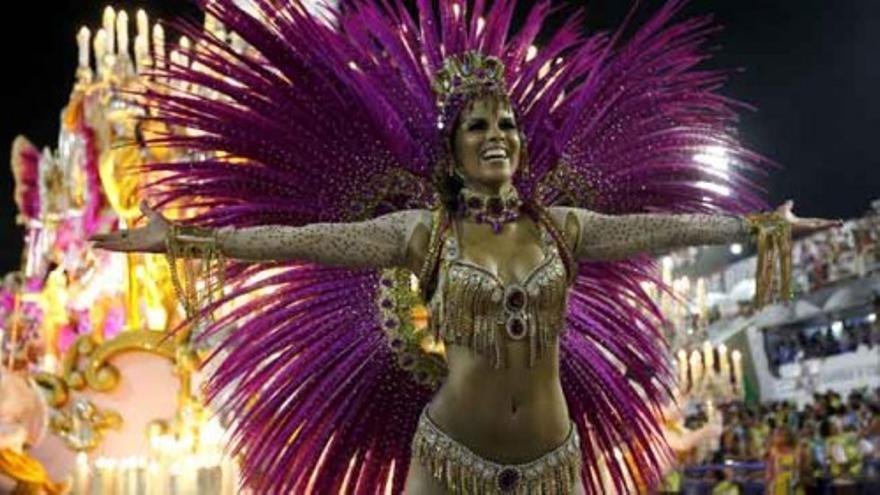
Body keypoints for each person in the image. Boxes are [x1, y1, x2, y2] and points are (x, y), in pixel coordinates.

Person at [90, 1, 840, 493]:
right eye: (478, 127)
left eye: (507, 124)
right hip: (449, 457)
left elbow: (670, 226)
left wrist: (757, 228)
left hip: (555, 458)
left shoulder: (564, 227)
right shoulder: (425, 232)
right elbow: (308, 242)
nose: (497, 137)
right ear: (452, 150)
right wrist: (189, 237)